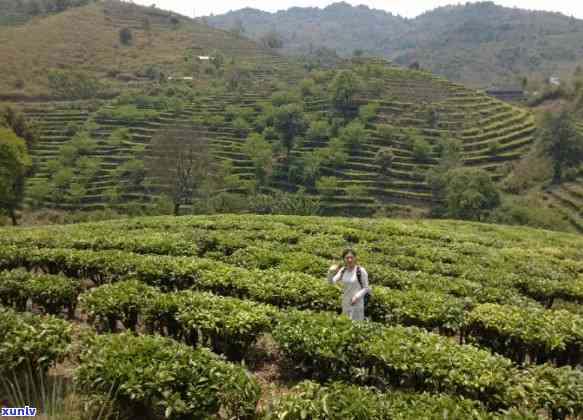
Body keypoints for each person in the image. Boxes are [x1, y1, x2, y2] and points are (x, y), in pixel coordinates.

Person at [327, 249, 371, 321]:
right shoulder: (343, 270)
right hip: (345, 302)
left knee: (356, 324)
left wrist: (356, 297)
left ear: (355, 258)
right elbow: (331, 283)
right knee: (345, 323)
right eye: (347, 258)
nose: (349, 260)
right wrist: (330, 272)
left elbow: (366, 288)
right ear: (344, 259)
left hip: (357, 303)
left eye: (351, 257)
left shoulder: (360, 270)